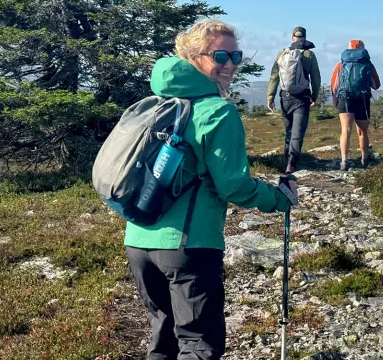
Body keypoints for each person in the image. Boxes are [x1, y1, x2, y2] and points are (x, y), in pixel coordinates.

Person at [124, 20, 299, 360]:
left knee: (163, 342)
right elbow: (234, 185)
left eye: (236, 55)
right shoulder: (218, 111)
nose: (230, 64)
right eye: (220, 55)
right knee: (198, 346)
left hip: (139, 240)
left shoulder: (157, 102)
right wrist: (278, 198)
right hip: (190, 245)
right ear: (194, 57)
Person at [267, 26, 322, 174]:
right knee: (297, 132)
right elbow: (316, 78)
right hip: (302, 99)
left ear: (293, 38)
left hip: (285, 97)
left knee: (289, 130)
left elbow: (274, 76)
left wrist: (270, 97)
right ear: (304, 38)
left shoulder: (282, 53)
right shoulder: (309, 54)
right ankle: (291, 163)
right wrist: (314, 96)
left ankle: (286, 160)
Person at [330, 40, 381, 170]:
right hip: (362, 100)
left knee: (345, 130)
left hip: (345, 99)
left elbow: (334, 87)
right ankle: (364, 159)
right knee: (362, 131)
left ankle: (344, 161)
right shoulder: (368, 64)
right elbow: (376, 85)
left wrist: (335, 101)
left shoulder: (341, 65)